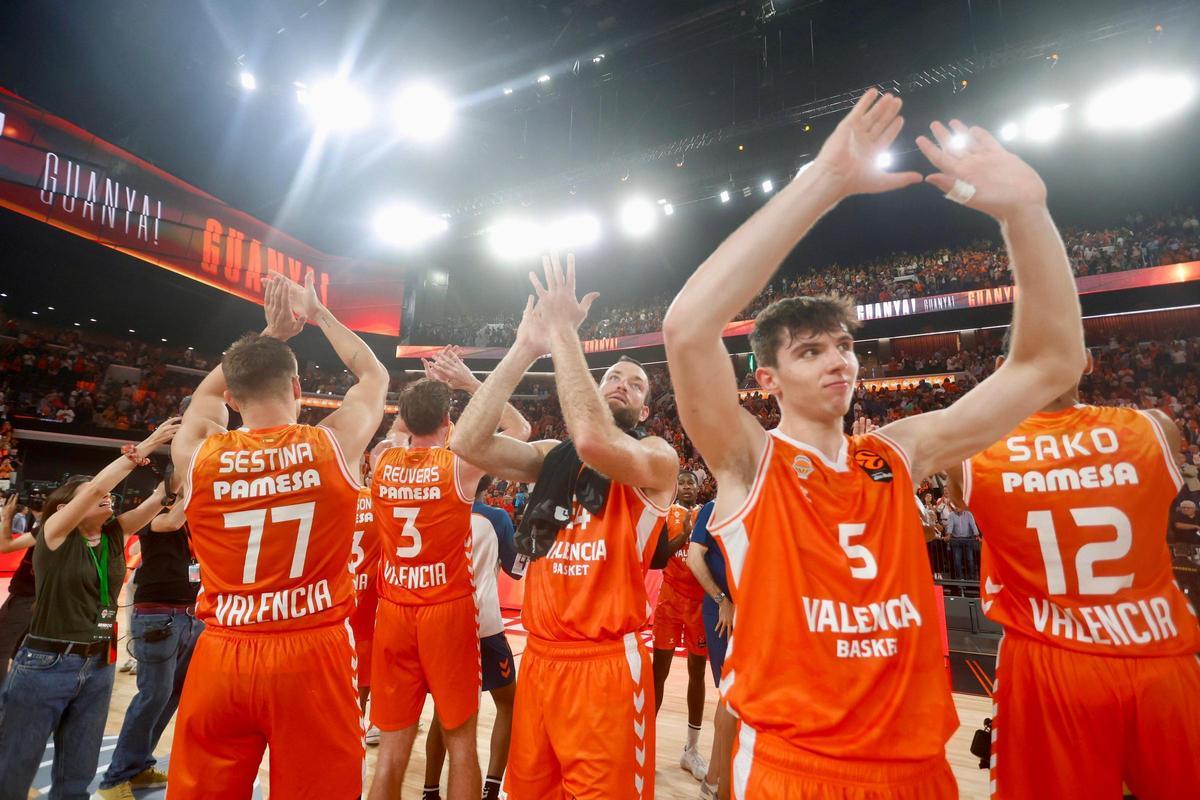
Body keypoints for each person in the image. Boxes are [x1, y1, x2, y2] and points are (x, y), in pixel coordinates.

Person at [662, 89, 1086, 798]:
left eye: (844, 346)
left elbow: (1050, 363)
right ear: (767, 379)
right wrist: (823, 182)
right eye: (811, 351)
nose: (838, 361)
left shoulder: (899, 450)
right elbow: (686, 328)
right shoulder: (748, 459)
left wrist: (1027, 214)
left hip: (918, 770)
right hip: (799, 770)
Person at [451, 254, 679, 800]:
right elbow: (467, 442)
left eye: (636, 385)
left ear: (647, 411)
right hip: (541, 659)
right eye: (612, 377)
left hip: (606, 666)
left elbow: (596, 440)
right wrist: (525, 348)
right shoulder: (552, 455)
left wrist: (562, 334)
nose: (622, 384)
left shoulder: (656, 457)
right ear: (591, 389)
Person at [167, 272, 388, 799]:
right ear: (296, 388)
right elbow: (373, 375)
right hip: (312, 651)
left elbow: (202, 396)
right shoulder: (333, 444)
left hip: (223, 651)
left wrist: (270, 334)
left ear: (233, 398)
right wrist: (320, 314)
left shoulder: (199, 453)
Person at [953, 337, 1200, 798]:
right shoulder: (1156, 428)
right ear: (1088, 361)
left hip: (1049, 662)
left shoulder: (971, 452)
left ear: (1002, 365)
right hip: (1157, 653)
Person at [368, 345, 528, 800]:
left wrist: (426, 393)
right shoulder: (459, 463)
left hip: (394, 610)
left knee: (390, 755)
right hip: (446, 612)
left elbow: (401, 428)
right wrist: (468, 383)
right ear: (447, 421)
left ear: (404, 419)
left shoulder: (382, 458)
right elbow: (519, 429)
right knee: (461, 745)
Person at [0, 421, 179, 800]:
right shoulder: (54, 533)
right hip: (45, 663)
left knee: (78, 775)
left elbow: (160, 498)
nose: (107, 496)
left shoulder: (114, 533)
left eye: (107, 494)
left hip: (100, 664)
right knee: (12, 770)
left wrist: (189, 450)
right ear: (66, 508)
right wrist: (148, 443)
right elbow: (99, 486)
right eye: (92, 494)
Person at [98, 468, 204, 800]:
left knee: (170, 694)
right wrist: (193, 485)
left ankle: (139, 766)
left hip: (190, 614)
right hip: (158, 615)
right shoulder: (151, 515)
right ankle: (115, 778)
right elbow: (170, 522)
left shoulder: (192, 518)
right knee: (153, 695)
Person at [424, 475, 524, 800]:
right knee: (508, 703)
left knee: (443, 712)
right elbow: (517, 569)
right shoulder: (496, 518)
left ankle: (429, 791)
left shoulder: (435, 513)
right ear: (489, 485)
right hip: (484, 626)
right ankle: (491, 789)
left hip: (443, 625)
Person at [651, 470, 709, 782]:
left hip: (699, 604)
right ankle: (646, 744)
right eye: (682, 482)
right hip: (670, 602)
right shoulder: (666, 514)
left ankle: (692, 749)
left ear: (699, 488)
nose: (686, 486)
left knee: (697, 673)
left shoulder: (709, 514)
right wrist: (685, 534)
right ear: (676, 487)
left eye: (691, 482)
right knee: (657, 674)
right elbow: (658, 558)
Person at [685, 499, 738, 800]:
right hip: (723, 613)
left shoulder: (757, 503)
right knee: (730, 695)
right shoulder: (713, 508)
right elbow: (694, 559)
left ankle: (716, 779)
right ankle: (716, 782)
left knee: (734, 696)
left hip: (749, 610)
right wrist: (721, 600)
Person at [350, 482, 382, 746]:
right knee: (372, 659)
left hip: (341, 589)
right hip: (372, 592)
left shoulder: (338, 496)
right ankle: (366, 722)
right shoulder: (377, 499)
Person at [0, 494, 37, 690]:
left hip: (27, 596)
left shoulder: (53, 526)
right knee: (24, 648)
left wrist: (7, 517)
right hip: (43, 598)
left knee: (3, 645)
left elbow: (5, 546)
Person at [943, 500, 981, 580]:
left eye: (958, 506)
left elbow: (973, 525)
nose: (956, 508)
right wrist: (948, 535)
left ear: (962, 507)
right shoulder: (951, 515)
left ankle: (972, 578)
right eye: (955, 506)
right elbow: (950, 526)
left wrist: (977, 535)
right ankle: (959, 579)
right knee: (957, 560)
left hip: (968, 539)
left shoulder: (968, 514)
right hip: (956, 540)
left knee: (970, 559)